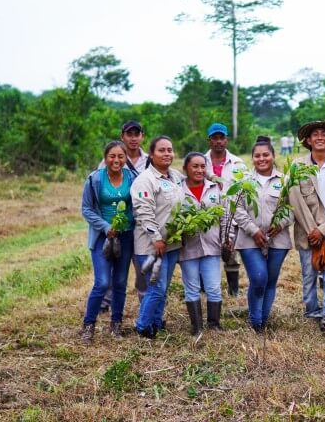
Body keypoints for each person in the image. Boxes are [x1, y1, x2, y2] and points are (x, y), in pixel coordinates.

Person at [289, 121, 325, 336]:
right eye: (315, 134)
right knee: (309, 273)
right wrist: (311, 230)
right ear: (308, 140)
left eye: (324, 134)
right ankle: (312, 311)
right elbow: (295, 201)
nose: (320, 137)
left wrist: (322, 230)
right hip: (306, 229)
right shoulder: (297, 167)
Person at [80, 141, 137, 344]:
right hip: (102, 237)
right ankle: (88, 326)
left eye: (121, 156)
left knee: (120, 282)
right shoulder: (95, 179)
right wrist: (105, 227)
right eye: (112, 156)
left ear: (125, 158)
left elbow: (138, 204)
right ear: (105, 158)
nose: (116, 160)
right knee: (102, 282)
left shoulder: (132, 178)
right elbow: (86, 209)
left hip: (126, 236)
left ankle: (116, 324)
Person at [235, 136, 294, 333]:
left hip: (279, 240)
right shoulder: (244, 181)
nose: (262, 159)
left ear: (273, 155)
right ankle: (255, 321)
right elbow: (237, 209)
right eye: (257, 156)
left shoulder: (285, 181)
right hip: (248, 240)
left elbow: (293, 208)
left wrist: (281, 223)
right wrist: (253, 230)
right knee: (259, 278)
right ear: (252, 158)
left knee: (270, 280)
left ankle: (263, 321)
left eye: (266, 155)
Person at [132, 136, 184, 339]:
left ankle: (156, 322)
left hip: (170, 244)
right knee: (156, 287)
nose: (167, 154)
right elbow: (143, 212)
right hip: (151, 246)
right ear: (151, 154)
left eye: (170, 150)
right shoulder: (145, 180)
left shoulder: (175, 177)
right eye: (162, 150)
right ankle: (143, 326)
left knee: (164, 288)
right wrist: (156, 237)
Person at [97, 120, 149, 313]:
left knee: (142, 264)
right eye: (129, 134)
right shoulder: (111, 159)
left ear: (142, 136)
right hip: (118, 221)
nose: (133, 138)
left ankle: (146, 304)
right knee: (114, 260)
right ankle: (105, 301)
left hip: (142, 221)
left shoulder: (149, 160)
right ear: (123, 136)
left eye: (137, 134)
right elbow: (100, 185)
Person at [179, 152, 228, 335]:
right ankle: (197, 327)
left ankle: (214, 325)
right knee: (191, 288)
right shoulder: (178, 190)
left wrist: (226, 239)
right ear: (186, 169)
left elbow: (224, 217)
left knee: (213, 287)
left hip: (212, 246)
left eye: (202, 166)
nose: (199, 170)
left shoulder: (215, 189)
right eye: (195, 166)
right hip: (188, 248)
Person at [204, 123, 247, 303]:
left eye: (222, 138)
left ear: (226, 139)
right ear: (209, 140)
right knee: (205, 253)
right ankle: (205, 288)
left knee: (231, 253)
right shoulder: (201, 161)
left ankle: (233, 291)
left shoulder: (238, 163)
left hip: (231, 215)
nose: (219, 142)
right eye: (215, 138)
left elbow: (245, 189)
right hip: (208, 216)